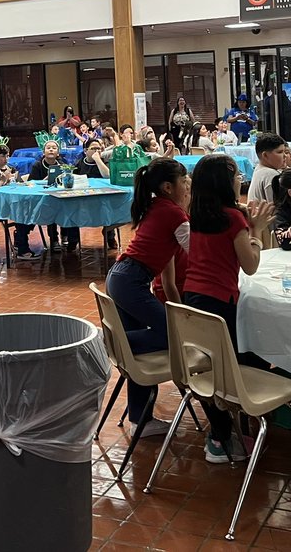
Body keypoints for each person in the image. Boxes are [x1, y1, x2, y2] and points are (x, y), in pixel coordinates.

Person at [181, 155, 273, 461]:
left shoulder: (197, 214)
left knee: (210, 368)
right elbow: (250, 266)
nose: (240, 178)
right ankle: (223, 438)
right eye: (235, 174)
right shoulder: (233, 218)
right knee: (244, 359)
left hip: (193, 298)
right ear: (225, 181)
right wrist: (257, 232)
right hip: (220, 302)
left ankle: (221, 433)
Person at [104, 158, 190, 437]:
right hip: (130, 281)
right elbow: (197, 250)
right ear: (168, 187)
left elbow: (168, 266)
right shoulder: (173, 213)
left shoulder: (158, 207)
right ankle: (106, 342)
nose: (188, 186)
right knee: (170, 336)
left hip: (123, 277)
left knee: (140, 353)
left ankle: (141, 419)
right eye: (184, 181)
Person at [24, 141, 80, 254]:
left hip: (60, 196)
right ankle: (54, 239)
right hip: (42, 200)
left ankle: (69, 238)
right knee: (51, 211)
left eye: (54, 148)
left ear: (58, 153)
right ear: (43, 152)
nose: (51, 150)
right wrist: (44, 180)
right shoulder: (37, 165)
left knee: (69, 208)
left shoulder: (62, 164)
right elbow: (31, 184)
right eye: (48, 148)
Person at [247, 133, 291, 205]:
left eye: (285, 152)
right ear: (265, 155)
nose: (284, 155)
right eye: (280, 152)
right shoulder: (271, 175)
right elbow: (279, 208)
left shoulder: (259, 168)